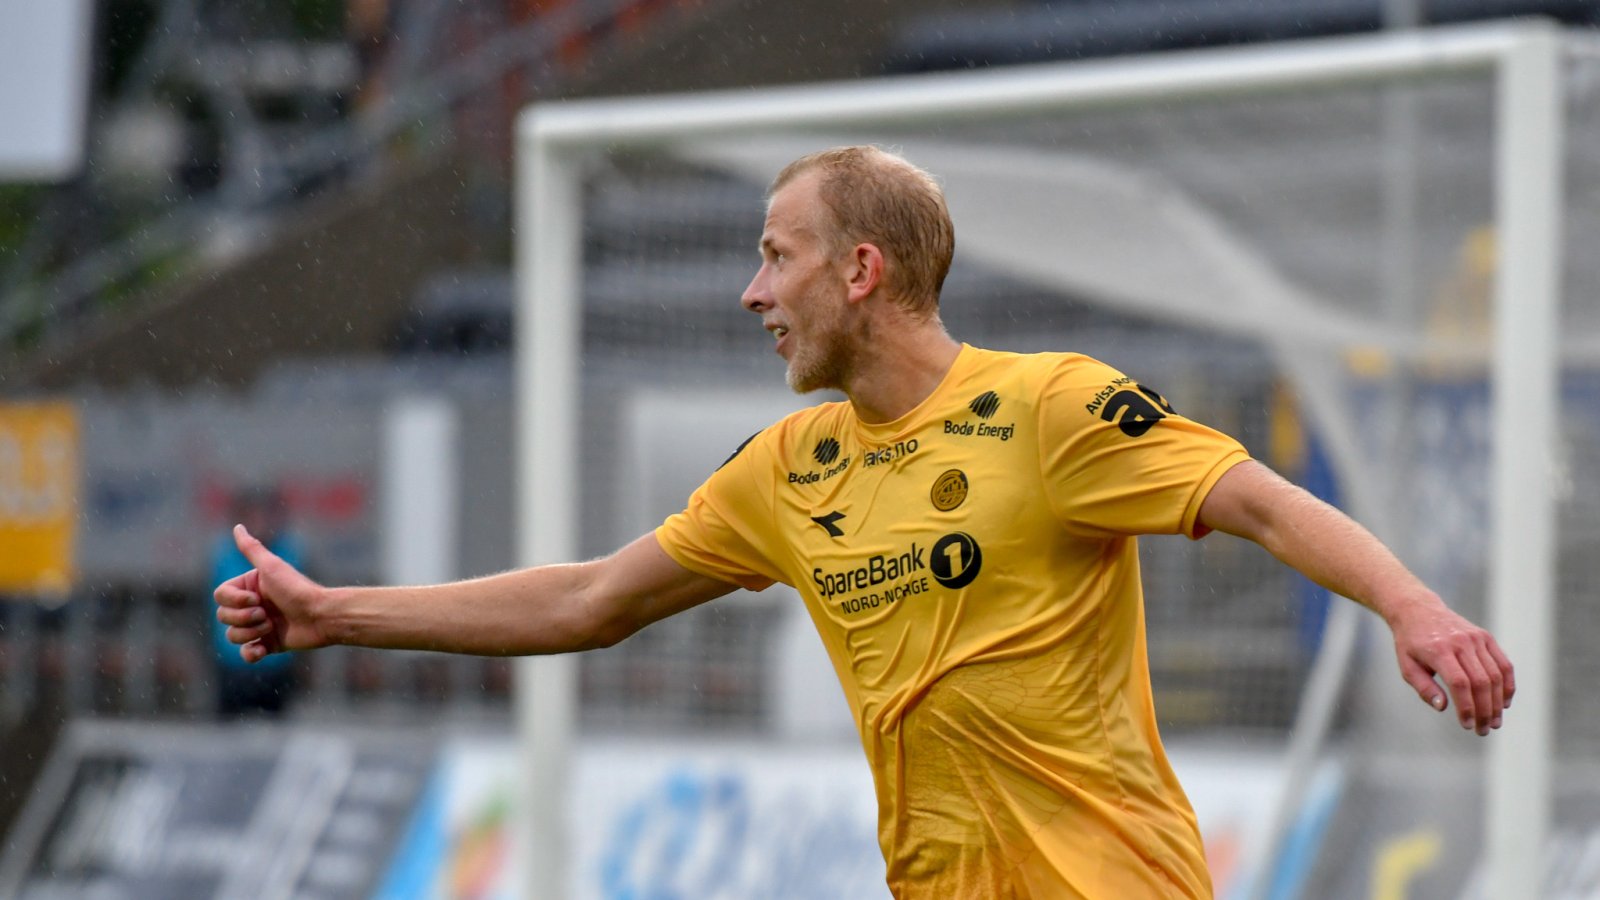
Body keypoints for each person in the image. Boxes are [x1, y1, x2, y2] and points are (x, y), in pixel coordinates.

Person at [216, 146, 1514, 898]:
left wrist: (1415, 606)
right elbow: (586, 599)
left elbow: (1262, 501)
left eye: (776, 255)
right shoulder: (788, 470)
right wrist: (336, 613)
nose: (749, 291)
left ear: (861, 271)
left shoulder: (1052, 408)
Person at [209, 485, 303, 718]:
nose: (259, 522)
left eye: (265, 516)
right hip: (231, 667)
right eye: (251, 515)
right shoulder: (220, 558)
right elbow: (204, 614)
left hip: (278, 668)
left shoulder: (293, 555)